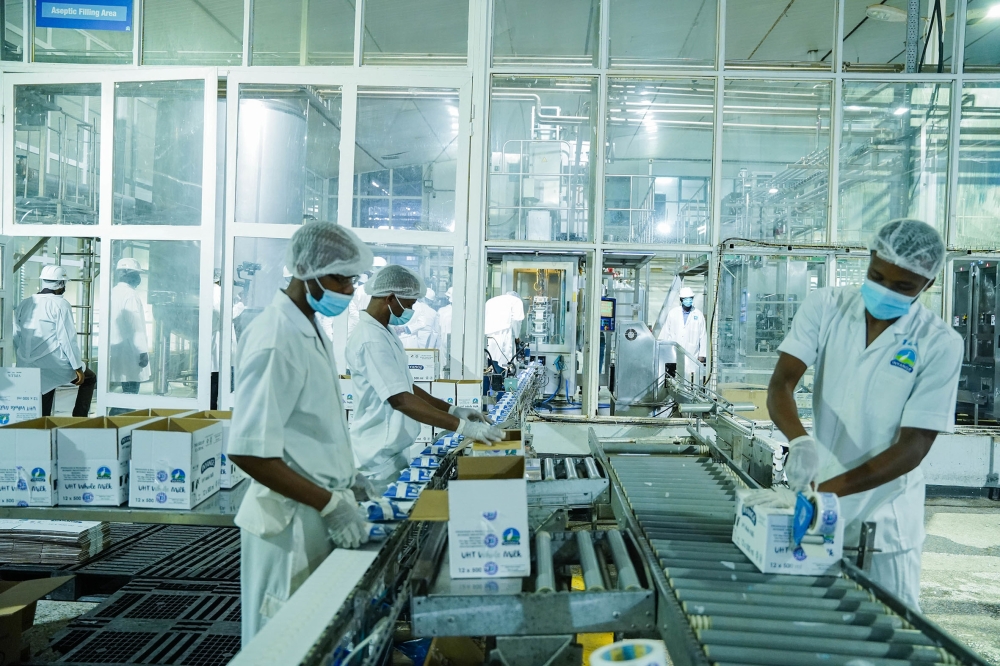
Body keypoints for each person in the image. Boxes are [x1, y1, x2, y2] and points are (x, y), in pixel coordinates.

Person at [765, 218, 962, 610]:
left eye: (903, 286)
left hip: (886, 520)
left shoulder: (939, 343)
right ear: (870, 259)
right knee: (816, 618)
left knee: (888, 626)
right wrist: (800, 441)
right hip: (822, 506)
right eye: (877, 276)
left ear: (927, 284)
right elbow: (781, 384)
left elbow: (914, 445)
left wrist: (829, 491)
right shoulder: (827, 307)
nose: (886, 290)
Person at [227, 221, 375, 644]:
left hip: (313, 507)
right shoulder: (276, 337)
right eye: (340, 279)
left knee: (314, 635)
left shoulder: (308, 327)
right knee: (283, 639)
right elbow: (248, 450)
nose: (348, 290)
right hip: (289, 521)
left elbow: (309, 424)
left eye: (352, 280)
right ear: (306, 271)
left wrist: (347, 476)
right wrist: (331, 505)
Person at [347, 265, 502, 483]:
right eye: (409, 304)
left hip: (390, 452)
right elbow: (401, 399)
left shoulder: (384, 332)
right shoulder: (370, 340)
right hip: (375, 460)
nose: (410, 311)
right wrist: (464, 427)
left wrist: (453, 410)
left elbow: (406, 387)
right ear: (390, 298)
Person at [13, 265, 95, 417]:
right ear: (61, 283)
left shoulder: (25, 303)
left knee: (44, 394)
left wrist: (25, 357)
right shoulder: (60, 304)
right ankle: (79, 420)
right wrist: (77, 367)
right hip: (54, 364)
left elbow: (16, 335)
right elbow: (67, 339)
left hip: (26, 364)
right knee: (89, 378)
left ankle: (42, 424)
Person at [109, 258, 150, 395]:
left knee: (125, 387)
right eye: (136, 274)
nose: (138, 277)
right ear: (127, 274)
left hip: (116, 350)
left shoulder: (112, 292)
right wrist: (142, 352)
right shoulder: (130, 295)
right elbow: (135, 326)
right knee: (131, 391)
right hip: (130, 352)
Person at [660, 286, 707, 376]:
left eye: (690, 298)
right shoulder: (673, 313)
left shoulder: (698, 315)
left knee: (690, 377)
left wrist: (702, 355)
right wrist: (664, 352)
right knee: (674, 377)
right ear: (681, 299)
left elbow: (703, 336)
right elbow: (666, 333)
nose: (688, 301)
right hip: (674, 353)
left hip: (692, 354)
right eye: (686, 299)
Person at [484, 291, 525, 365]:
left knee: (489, 358)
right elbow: (517, 321)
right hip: (504, 333)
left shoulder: (491, 301)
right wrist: (517, 337)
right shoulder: (517, 301)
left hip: (487, 335)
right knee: (504, 362)